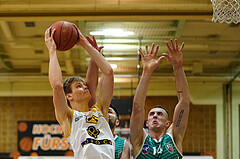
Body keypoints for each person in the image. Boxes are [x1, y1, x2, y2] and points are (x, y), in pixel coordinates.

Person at [44, 25, 114, 158]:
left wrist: (85, 44)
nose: (85, 87)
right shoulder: (68, 116)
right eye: (78, 86)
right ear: (69, 96)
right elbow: (57, 86)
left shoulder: (101, 109)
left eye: (84, 85)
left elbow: (108, 72)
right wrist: (52, 50)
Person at [130, 40, 190, 158]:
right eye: (151, 114)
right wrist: (146, 72)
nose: (155, 116)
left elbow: (184, 103)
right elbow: (137, 107)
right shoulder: (139, 140)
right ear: (146, 123)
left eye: (159, 114)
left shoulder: (174, 138)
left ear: (168, 124)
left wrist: (178, 67)